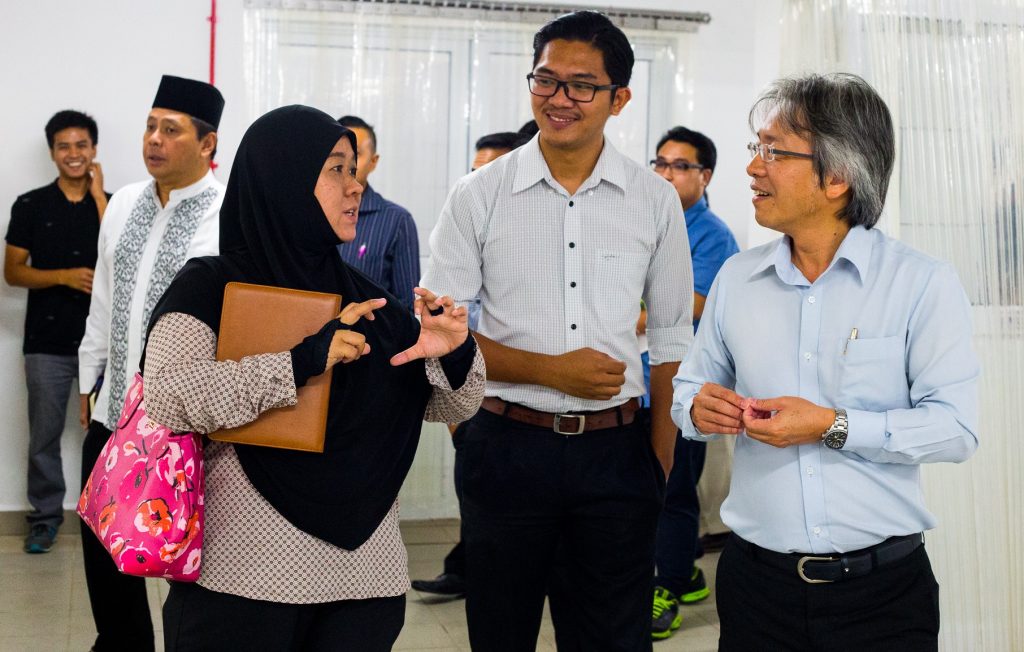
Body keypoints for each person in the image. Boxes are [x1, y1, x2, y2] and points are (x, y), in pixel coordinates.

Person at [140, 104, 484, 651]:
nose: (355, 188)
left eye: (355, 170)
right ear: (284, 179)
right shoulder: (211, 286)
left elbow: (449, 406)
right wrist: (303, 360)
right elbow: (172, 396)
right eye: (335, 170)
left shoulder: (368, 298)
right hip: (242, 583)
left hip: (364, 582)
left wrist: (455, 351)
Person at [672, 72, 979, 651]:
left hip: (883, 595)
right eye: (754, 149)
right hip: (755, 589)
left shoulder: (920, 283)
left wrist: (830, 425)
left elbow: (955, 429)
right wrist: (697, 407)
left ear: (838, 176)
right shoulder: (738, 279)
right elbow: (689, 390)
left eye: (774, 152)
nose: (752, 168)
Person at [423, 11, 692, 651]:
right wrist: (538, 380)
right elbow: (441, 335)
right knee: (500, 633)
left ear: (618, 98)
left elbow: (675, 342)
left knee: (612, 639)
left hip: (617, 456)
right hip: (506, 452)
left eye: (582, 85)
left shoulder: (653, 201)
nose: (559, 99)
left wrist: (656, 465)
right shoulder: (478, 195)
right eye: (545, 81)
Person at [77, 74, 225, 652]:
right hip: (114, 417)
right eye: (149, 125)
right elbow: (104, 301)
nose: (153, 139)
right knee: (104, 560)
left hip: (187, 431)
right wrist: (89, 384)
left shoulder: (227, 213)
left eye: (171, 129)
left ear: (208, 145)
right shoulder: (121, 206)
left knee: (187, 571)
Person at [412, 129, 529, 600]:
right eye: (474, 173)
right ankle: (466, 570)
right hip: (472, 405)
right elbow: (437, 330)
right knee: (480, 508)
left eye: (490, 174)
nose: (478, 184)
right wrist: (458, 419)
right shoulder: (462, 236)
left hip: (519, 408)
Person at [647, 126, 739, 640]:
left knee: (674, 490)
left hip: (683, 387)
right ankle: (679, 573)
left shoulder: (712, 235)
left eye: (680, 166)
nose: (665, 173)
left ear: (704, 176)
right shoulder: (647, 219)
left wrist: (626, 305)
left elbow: (692, 305)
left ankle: (671, 586)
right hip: (637, 383)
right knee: (646, 486)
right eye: (659, 162)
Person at [4, 110, 108, 554]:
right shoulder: (30, 205)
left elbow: (120, 254)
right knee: (44, 435)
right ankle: (45, 520)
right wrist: (63, 276)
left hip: (102, 345)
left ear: (94, 150)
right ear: (52, 152)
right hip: (45, 344)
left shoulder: (115, 203)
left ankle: (105, 520)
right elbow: (12, 272)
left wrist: (101, 197)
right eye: (64, 146)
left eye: (81, 145)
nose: (73, 154)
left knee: (104, 435)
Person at [336, 115, 420, 310]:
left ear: (373, 161)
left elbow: (407, 306)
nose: (347, 165)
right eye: (337, 156)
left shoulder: (397, 221)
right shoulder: (309, 213)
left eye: (356, 154)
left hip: (368, 338)